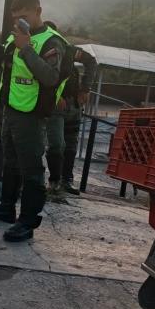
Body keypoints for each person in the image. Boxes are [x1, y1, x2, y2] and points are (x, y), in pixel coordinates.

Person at [0, 0, 66, 242]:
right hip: (11, 109)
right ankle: (7, 208)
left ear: (38, 12)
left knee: (31, 169)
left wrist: (25, 48)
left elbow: (50, 77)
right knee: (11, 162)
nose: (19, 23)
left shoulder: (51, 41)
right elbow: (10, 69)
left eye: (24, 17)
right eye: (16, 19)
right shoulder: (15, 36)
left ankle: (27, 222)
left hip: (32, 115)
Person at [43, 20, 97, 197]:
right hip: (55, 107)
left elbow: (91, 61)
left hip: (74, 105)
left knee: (71, 145)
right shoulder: (40, 50)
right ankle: (54, 182)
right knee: (57, 145)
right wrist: (54, 96)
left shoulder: (68, 50)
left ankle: (66, 180)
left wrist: (85, 89)